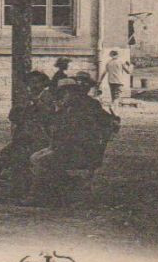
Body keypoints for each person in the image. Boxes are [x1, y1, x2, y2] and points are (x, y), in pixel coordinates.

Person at [25, 77, 121, 205]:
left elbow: (71, 134)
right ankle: (57, 191)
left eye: (64, 93)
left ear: (72, 92)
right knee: (36, 156)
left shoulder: (79, 109)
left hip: (79, 151)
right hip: (74, 148)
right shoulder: (74, 106)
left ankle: (37, 197)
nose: (62, 97)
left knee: (40, 159)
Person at [0, 70, 53, 198]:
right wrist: (23, 108)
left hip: (42, 138)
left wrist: (37, 105)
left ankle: (19, 190)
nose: (33, 86)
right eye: (30, 83)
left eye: (37, 83)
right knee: (8, 153)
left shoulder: (49, 98)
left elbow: (49, 118)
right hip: (24, 137)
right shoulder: (25, 99)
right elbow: (13, 117)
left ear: (44, 84)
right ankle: (11, 187)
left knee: (20, 156)